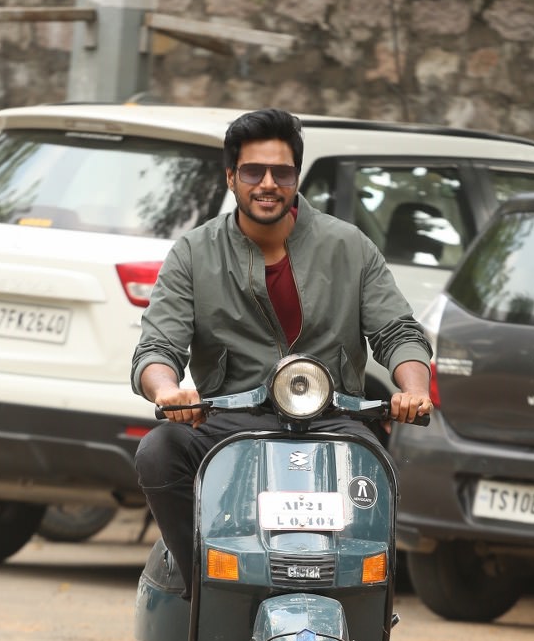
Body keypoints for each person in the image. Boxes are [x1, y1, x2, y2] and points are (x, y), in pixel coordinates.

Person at [131, 107, 433, 595]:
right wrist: (168, 389)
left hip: (334, 420)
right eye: (253, 171)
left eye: (281, 172)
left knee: (377, 488)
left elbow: (398, 330)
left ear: (296, 177)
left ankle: (365, 630)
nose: (267, 183)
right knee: (158, 451)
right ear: (231, 177)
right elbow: (158, 345)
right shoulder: (195, 253)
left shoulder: (349, 246)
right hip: (231, 421)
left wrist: (412, 389)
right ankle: (202, 592)